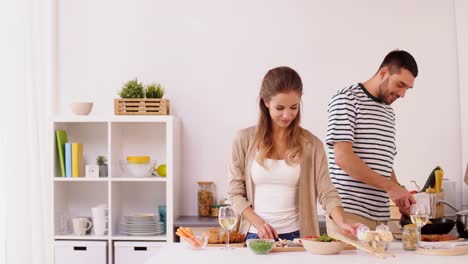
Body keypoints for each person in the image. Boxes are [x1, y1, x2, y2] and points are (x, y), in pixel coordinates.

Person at [228, 66, 358, 241]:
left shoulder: (312, 144)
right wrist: (260, 224)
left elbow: (327, 191)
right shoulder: (244, 139)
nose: (287, 115)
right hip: (255, 235)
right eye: (280, 108)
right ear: (266, 102)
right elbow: (235, 194)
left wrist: (342, 222)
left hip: (299, 237)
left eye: (294, 107)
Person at [326, 50, 418, 230]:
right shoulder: (347, 99)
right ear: (383, 73)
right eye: (400, 84)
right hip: (349, 215)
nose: (402, 94)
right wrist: (391, 187)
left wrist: (399, 194)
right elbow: (343, 157)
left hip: (380, 219)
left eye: (407, 88)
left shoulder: (388, 113)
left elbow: (384, 163)